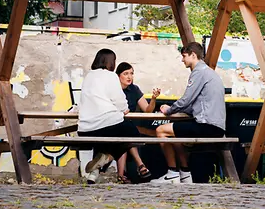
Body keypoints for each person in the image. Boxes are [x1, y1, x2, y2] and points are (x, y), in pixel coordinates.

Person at [151, 41, 225, 184]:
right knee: (175, 134)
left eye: (184, 56)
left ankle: (172, 173)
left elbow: (186, 99)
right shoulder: (210, 72)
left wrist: (169, 110)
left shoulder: (199, 72)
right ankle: (185, 175)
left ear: (193, 55)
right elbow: (195, 105)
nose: (182, 59)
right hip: (217, 127)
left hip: (207, 126)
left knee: (161, 130)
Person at [77, 49, 151, 183]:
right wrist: (123, 110)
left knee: (111, 138)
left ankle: (98, 168)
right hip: (105, 124)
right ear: (111, 62)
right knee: (132, 132)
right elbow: (120, 100)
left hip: (85, 129)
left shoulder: (89, 76)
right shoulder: (110, 76)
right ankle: (107, 158)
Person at [113, 61, 159, 183]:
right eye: (126, 73)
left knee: (126, 136)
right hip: (113, 125)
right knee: (127, 134)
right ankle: (140, 165)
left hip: (128, 128)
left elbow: (148, 110)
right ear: (118, 76)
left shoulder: (134, 89)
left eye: (132, 73)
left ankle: (121, 176)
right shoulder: (113, 89)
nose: (129, 77)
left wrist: (153, 99)